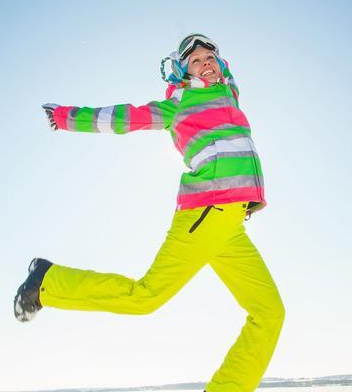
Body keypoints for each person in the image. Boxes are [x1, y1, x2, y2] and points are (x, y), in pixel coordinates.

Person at [15, 33, 285, 392]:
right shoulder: (180, 104)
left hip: (231, 225)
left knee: (270, 312)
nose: (206, 62)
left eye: (211, 57)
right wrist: (66, 117)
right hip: (206, 211)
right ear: (182, 72)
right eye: (195, 60)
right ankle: (46, 283)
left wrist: (214, 64)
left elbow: (225, 72)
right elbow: (126, 118)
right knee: (146, 297)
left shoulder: (229, 95)